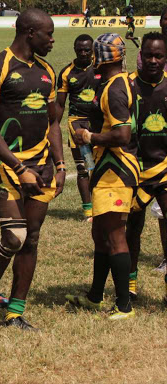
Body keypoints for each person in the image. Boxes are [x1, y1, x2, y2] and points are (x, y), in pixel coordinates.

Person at [0, 8, 65, 331]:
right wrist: (17, 166)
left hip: (41, 168)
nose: (52, 40)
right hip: (9, 168)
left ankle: (15, 311)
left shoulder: (46, 71)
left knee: (32, 239)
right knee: (14, 237)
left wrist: (61, 163)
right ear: (29, 32)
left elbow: (53, 120)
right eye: (48, 34)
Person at [67, 33, 138, 320]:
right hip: (105, 168)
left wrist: (90, 136)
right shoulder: (110, 83)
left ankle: (124, 306)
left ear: (102, 56)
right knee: (100, 234)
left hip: (116, 171)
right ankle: (95, 296)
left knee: (114, 235)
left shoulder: (116, 88)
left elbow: (122, 134)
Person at [125, 33, 167, 302]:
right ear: (141, 56)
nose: (153, 60)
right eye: (148, 55)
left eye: (159, 56)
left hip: (163, 168)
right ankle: (129, 285)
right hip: (133, 170)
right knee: (132, 230)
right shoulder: (127, 86)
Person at [57, 34, 101, 221]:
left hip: (98, 122)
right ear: (75, 49)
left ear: (93, 50)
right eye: (79, 49)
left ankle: (101, 207)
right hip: (77, 124)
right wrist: (53, 126)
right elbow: (60, 104)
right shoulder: (67, 72)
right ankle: (88, 210)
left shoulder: (101, 68)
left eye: (87, 50)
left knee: (100, 166)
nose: (83, 53)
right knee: (84, 167)